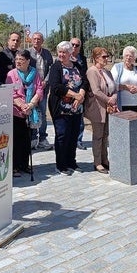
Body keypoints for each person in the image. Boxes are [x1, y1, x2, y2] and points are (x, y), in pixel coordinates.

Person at [48, 41, 88, 175]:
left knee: (73, 134)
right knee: (62, 135)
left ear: (70, 53)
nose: (61, 54)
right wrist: (75, 95)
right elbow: (56, 87)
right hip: (60, 107)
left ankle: (72, 162)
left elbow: (85, 81)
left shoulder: (77, 65)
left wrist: (81, 94)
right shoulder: (55, 67)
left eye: (64, 52)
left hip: (76, 107)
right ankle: (61, 164)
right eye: (59, 52)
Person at [5, 50, 43, 177]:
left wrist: (31, 105)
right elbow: (11, 93)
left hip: (30, 111)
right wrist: (22, 105)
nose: (18, 62)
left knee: (27, 140)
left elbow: (39, 89)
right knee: (16, 140)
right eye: (17, 59)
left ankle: (24, 164)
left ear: (28, 61)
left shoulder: (34, 73)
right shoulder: (12, 74)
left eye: (21, 60)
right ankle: (14, 166)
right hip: (16, 111)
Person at [85, 47, 118, 173]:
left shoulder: (107, 72)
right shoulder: (92, 71)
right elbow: (96, 91)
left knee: (105, 135)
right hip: (97, 109)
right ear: (96, 58)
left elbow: (114, 88)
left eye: (107, 56)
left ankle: (105, 160)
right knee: (98, 136)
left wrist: (113, 98)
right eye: (104, 57)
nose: (106, 59)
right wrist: (109, 100)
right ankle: (97, 162)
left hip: (109, 109)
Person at [29, 32, 54, 150]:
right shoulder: (28, 53)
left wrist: (46, 81)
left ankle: (43, 138)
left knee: (43, 113)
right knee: (33, 112)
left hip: (44, 88)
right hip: (32, 88)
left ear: (42, 41)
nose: (36, 41)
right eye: (34, 39)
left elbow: (51, 69)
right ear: (31, 40)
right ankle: (33, 138)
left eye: (39, 39)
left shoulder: (47, 53)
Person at [111, 46, 137, 113]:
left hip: (136, 104)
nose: (128, 58)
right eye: (126, 55)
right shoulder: (117, 67)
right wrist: (125, 87)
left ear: (134, 58)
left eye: (131, 56)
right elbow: (111, 85)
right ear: (123, 56)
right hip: (121, 105)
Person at [71, 37, 89, 150]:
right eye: (72, 44)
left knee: (80, 117)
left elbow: (84, 76)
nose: (74, 47)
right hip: (68, 92)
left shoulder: (82, 58)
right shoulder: (63, 57)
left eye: (77, 45)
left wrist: (82, 92)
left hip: (80, 92)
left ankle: (78, 140)